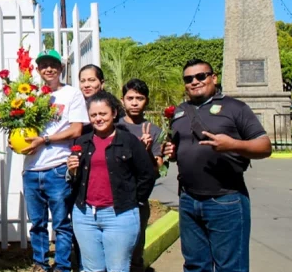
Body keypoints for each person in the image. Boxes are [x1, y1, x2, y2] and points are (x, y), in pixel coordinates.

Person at [162, 59, 271, 272]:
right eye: (188, 79)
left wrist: (233, 144)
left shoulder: (235, 107)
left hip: (225, 200)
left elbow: (265, 146)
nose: (194, 82)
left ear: (213, 78)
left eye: (201, 76)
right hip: (188, 199)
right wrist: (172, 153)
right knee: (194, 266)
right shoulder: (179, 112)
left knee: (230, 268)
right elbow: (179, 150)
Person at [67, 91, 156, 272]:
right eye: (93, 115)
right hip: (85, 215)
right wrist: (72, 170)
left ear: (114, 113)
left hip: (119, 215)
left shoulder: (129, 141)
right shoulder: (82, 142)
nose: (98, 118)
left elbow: (147, 175)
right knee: (92, 268)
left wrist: (135, 201)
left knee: (117, 268)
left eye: (103, 114)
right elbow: (74, 180)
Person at [21, 49, 87, 272]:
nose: (48, 69)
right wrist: (16, 141)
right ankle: (40, 264)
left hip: (57, 168)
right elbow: (20, 128)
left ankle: (62, 266)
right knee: (37, 224)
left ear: (61, 69)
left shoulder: (72, 94)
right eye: (44, 65)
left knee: (61, 223)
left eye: (53, 65)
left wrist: (45, 139)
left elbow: (76, 128)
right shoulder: (30, 96)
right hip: (31, 170)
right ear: (38, 70)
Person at [118, 78, 164, 272]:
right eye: (130, 98)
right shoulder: (112, 127)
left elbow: (157, 168)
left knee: (135, 251)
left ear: (146, 101)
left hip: (138, 199)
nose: (134, 102)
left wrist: (144, 152)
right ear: (122, 100)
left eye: (140, 98)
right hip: (112, 198)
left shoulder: (154, 131)